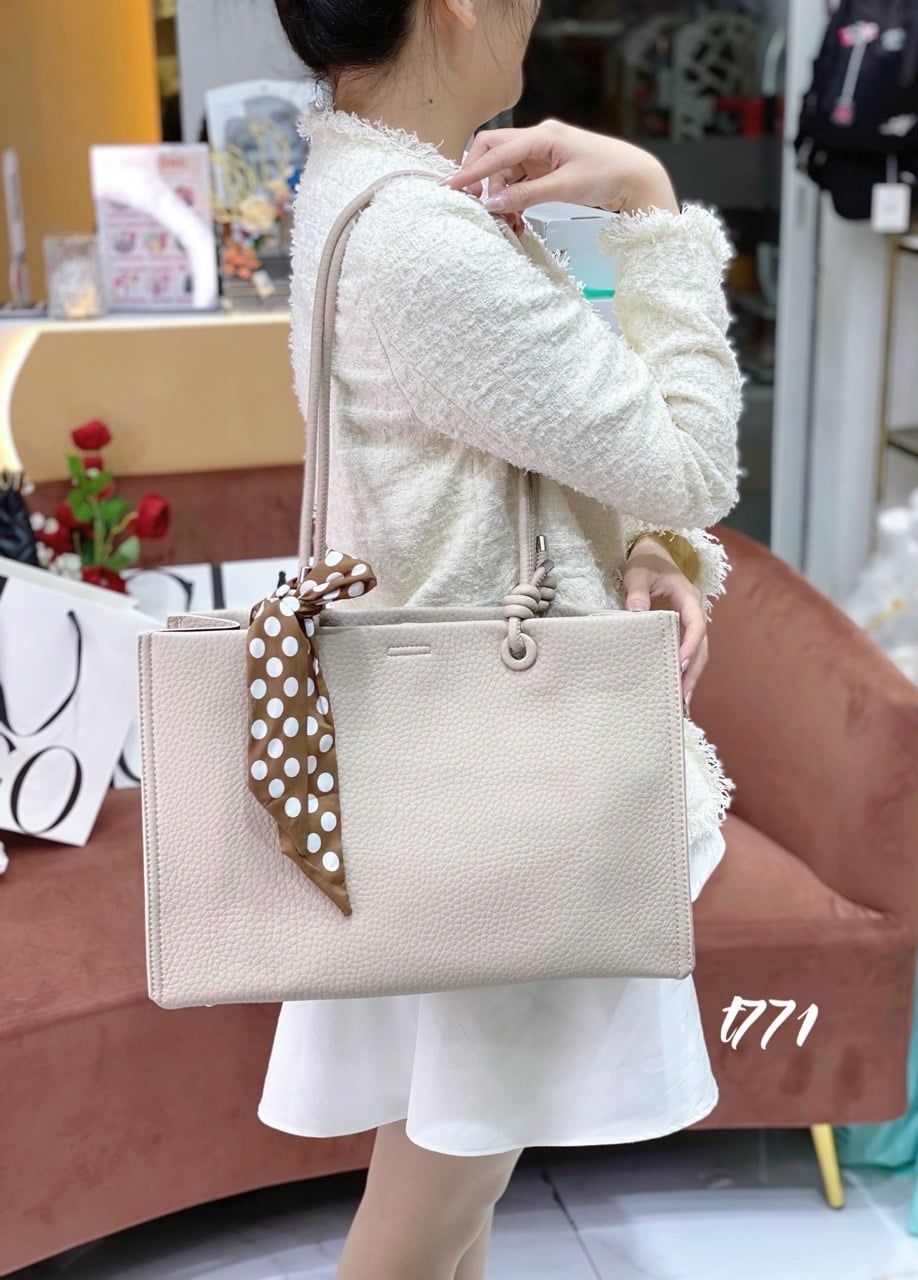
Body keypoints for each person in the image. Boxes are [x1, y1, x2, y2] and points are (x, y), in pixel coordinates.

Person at [258, 2, 743, 1276]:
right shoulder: (423, 238)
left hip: (439, 769)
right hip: (510, 796)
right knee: (419, 1228)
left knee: (447, 1200)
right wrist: (652, 205)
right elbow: (693, 461)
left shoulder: (358, 190)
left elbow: (505, 467)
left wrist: (650, 546)